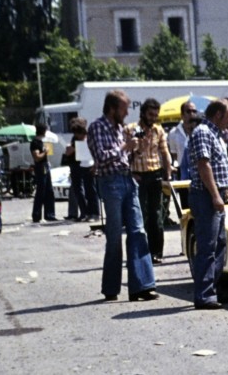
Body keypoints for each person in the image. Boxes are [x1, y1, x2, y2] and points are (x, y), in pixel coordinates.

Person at [87, 90, 158, 302]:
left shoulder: (119, 128)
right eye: (124, 109)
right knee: (115, 236)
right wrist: (125, 146)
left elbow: (122, 155)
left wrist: (135, 149)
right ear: (112, 108)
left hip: (128, 179)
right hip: (111, 183)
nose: (127, 113)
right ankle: (111, 287)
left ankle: (142, 286)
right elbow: (101, 156)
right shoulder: (97, 127)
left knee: (138, 231)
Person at [188, 100, 228, 310]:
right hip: (206, 196)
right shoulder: (203, 132)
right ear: (217, 115)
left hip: (216, 196)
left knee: (219, 244)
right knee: (207, 246)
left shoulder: (214, 133)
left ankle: (213, 290)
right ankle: (204, 295)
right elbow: (203, 165)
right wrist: (216, 196)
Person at [129, 98, 173, 264]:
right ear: (143, 113)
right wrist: (130, 173)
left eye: (156, 115)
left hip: (155, 174)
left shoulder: (158, 130)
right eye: (150, 114)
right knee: (139, 215)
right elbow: (126, 155)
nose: (153, 117)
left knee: (156, 214)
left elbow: (165, 152)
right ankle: (140, 252)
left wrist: (168, 173)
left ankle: (156, 252)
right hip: (137, 176)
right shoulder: (131, 129)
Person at [67, 118, 99, 222]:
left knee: (91, 191)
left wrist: (95, 165)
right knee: (83, 190)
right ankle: (87, 212)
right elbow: (69, 151)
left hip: (89, 165)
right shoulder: (75, 139)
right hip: (81, 165)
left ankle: (94, 213)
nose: (77, 136)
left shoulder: (89, 138)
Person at [30, 123, 57, 223]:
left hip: (45, 165)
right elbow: (37, 157)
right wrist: (45, 152)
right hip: (40, 167)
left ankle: (50, 214)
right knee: (41, 191)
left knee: (49, 191)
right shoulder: (35, 143)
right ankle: (36, 215)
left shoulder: (42, 142)